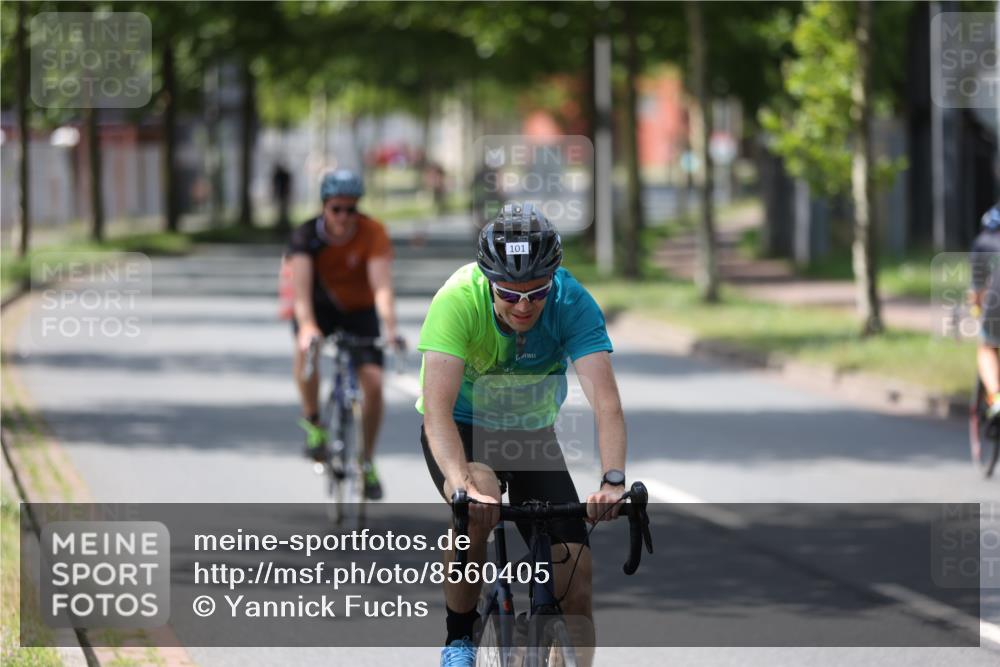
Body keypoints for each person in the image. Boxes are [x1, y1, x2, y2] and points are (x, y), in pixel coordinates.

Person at [417, 202, 627, 667]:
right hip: (462, 426)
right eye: (509, 296)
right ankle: (459, 638)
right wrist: (459, 485)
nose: (525, 305)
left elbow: (606, 403)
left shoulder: (572, 302)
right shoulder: (457, 301)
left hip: (529, 432)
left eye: (537, 292)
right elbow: (437, 412)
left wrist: (613, 480)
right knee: (480, 498)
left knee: (577, 572)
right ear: (488, 281)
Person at [287, 169, 400, 500]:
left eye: (351, 209)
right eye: (337, 208)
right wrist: (308, 327)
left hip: (359, 311)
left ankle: (366, 463)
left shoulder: (372, 232)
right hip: (320, 307)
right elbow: (301, 294)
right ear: (324, 206)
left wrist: (391, 329)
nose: (344, 217)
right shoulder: (305, 236)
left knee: (375, 384)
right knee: (304, 348)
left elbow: (382, 287)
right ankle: (313, 423)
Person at [971, 202, 1000, 419]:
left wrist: (975, 309)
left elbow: (977, 291)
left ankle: (996, 397)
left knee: (987, 346)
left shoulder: (982, 243)